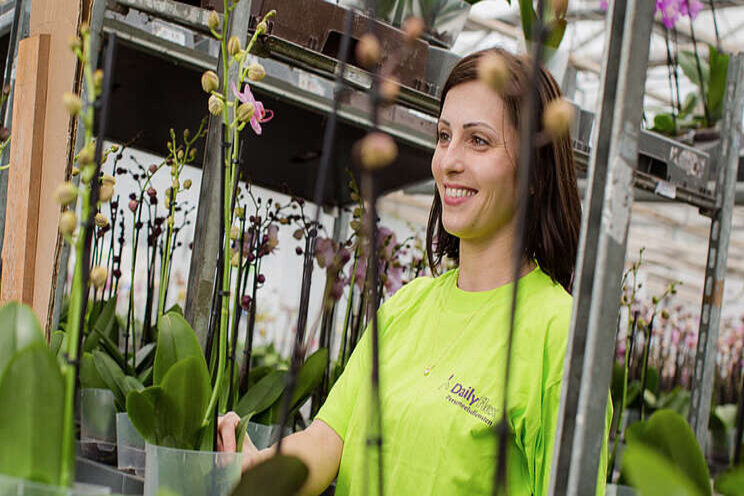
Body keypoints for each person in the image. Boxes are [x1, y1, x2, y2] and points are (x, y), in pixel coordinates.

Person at [218, 47, 610, 496]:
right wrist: (253, 467)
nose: (449, 161)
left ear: (535, 172)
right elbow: (328, 442)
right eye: (444, 136)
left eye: (477, 140)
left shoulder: (560, 336)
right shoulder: (407, 307)